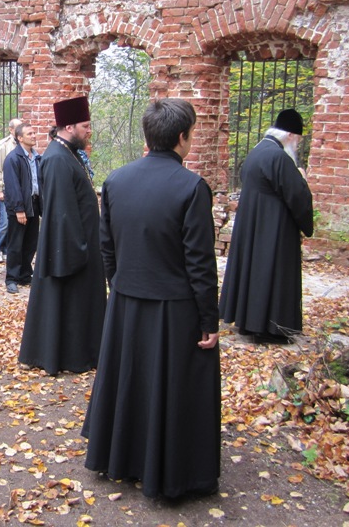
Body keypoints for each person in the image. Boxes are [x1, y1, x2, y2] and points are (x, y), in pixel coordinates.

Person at [81, 98, 221, 499]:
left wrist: (120, 287)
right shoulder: (192, 187)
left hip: (127, 301)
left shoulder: (116, 180)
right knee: (171, 387)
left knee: (130, 380)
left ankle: (123, 458)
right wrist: (209, 321)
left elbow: (107, 247)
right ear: (183, 137)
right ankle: (171, 471)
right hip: (175, 310)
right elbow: (200, 263)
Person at [18, 96, 106, 375]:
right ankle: (69, 357)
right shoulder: (57, 158)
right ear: (69, 127)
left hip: (81, 242)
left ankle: (84, 352)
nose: (89, 130)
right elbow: (60, 212)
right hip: (69, 247)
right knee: (68, 304)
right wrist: (78, 249)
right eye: (85, 126)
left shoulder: (68, 153)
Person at [219, 108, 314, 343]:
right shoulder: (279, 157)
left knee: (254, 271)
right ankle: (270, 328)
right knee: (270, 271)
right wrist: (302, 179)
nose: (298, 145)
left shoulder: (257, 152)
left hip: (253, 225)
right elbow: (296, 195)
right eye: (298, 139)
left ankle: (249, 321)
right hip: (274, 228)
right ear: (290, 135)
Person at [2, 123, 42, 294]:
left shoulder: (37, 157)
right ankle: (11, 278)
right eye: (29, 133)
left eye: (34, 133)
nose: (34, 135)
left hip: (34, 204)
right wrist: (19, 210)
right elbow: (12, 186)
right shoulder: (13, 158)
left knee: (31, 243)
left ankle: (25, 275)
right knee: (16, 244)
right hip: (19, 206)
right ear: (20, 138)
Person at [0, 118, 21, 263]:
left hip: (19, 189)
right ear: (11, 129)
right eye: (17, 127)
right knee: (5, 222)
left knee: (14, 221)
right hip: (6, 188)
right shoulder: (2, 145)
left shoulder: (24, 144)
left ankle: (6, 250)